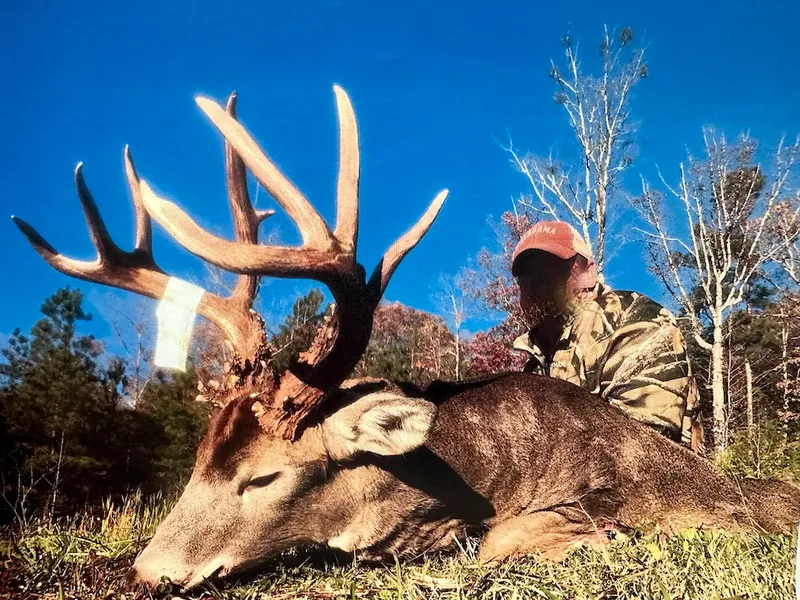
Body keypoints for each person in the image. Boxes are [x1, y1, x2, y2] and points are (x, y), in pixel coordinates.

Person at [511, 220, 700, 449]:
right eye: (526, 278)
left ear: (588, 272)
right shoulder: (536, 361)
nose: (536, 286)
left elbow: (641, 450)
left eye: (551, 271)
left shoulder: (637, 321)